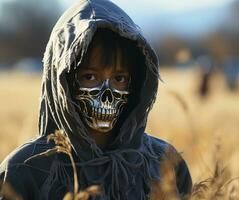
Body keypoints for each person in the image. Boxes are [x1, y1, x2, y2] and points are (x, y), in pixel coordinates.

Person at [0, 0, 192, 199]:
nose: (107, 96)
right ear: (62, 82)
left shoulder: (163, 163)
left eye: (119, 79)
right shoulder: (25, 170)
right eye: (90, 77)